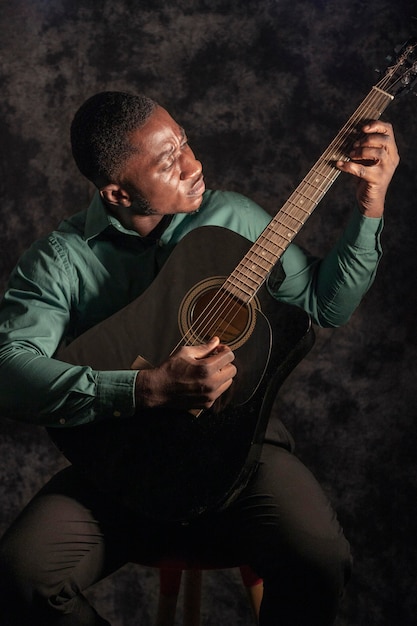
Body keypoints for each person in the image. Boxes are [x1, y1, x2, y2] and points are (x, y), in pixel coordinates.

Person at [0, 91, 399, 626]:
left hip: (243, 457)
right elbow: (9, 368)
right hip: (123, 471)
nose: (193, 165)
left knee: (319, 559)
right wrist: (145, 388)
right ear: (117, 192)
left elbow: (325, 304)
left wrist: (370, 205)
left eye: (184, 142)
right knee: (20, 573)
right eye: (167, 161)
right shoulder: (61, 260)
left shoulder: (233, 216)